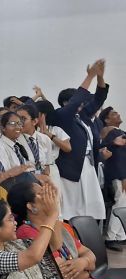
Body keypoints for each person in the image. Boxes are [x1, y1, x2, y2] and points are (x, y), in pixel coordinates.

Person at [8, 180, 126, 279]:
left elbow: (91, 257)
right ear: (31, 206)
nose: (51, 195)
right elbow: (61, 275)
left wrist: (83, 264)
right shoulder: (27, 233)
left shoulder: (60, 227)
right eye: (43, 193)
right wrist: (86, 269)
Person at [55, 59, 107, 221]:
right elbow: (76, 101)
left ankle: (86, 238)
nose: (84, 104)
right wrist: (89, 77)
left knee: (90, 207)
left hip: (88, 165)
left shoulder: (82, 115)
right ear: (66, 102)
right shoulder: (62, 116)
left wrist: (99, 77)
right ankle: (73, 239)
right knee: (72, 209)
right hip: (71, 168)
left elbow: (99, 98)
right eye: (81, 101)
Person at [99, 107, 126, 248]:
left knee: (124, 204)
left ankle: (120, 235)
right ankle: (111, 237)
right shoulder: (109, 130)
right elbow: (102, 147)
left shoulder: (121, 132)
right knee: (120, 203)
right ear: (107, 119)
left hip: (122, 173)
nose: (119, 114)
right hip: (118, 174)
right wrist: (122, 177)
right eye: (114, 113)